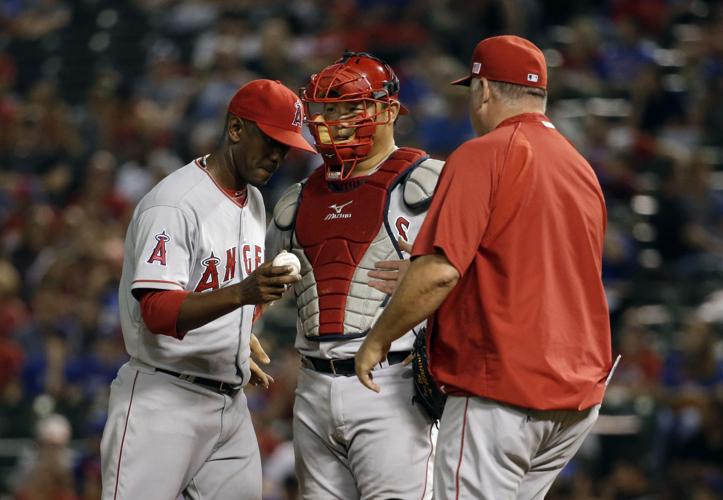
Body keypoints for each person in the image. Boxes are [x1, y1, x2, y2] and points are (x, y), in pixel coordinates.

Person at [355, 35, 615, 500]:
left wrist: (377, 340)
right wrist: (424, 280)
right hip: (574, 398)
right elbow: (533, 269)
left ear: (485, 90)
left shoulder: (484, 153)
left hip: (503, 392)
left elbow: (440, 272)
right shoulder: (580, 168)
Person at [100, 79, 315, 500]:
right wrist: (242, 295)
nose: (278, 155)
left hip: (228, 405)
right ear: (236, 128)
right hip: (164, 401)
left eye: (285, 146)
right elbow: (158, 311)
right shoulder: (175, 204)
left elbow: (215, 287)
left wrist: (232, 336)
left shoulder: (253, 200)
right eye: (270, 140)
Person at [266, 51, 444, 499]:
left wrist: (428, 274)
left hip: (394, 379)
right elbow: (268, 289)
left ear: (387, 111)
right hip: (312, 385)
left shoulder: (431, 182)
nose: (337, 121)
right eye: (329, 109)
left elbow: (482, 272)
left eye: (351, 108)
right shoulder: (294, 200)